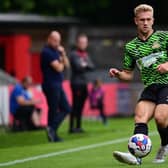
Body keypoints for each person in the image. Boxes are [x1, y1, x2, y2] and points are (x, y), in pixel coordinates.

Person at [109, 4, 168, 165]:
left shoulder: (164, 37)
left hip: (166, 84)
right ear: (136, 21)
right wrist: (119, 74)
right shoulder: (131, 47)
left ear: (153, 20)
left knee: (161, 118)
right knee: (140, 117)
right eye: (142, 20)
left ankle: (164, 145)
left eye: (149, 19)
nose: (146, 23)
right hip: (150, 87)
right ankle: (136, 157)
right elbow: (128, 74)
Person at [40, 31, 71, 142]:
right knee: (54, 109)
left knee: (65, 108)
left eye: (58, 41)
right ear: (49, 39)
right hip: (50, 84)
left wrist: (63, 54)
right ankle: (52, 131)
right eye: (55, 40)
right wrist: (61, 61)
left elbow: (67, 65)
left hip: (57, 84)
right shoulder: (46, 52)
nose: (57, 43)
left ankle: (52, 130)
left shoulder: (56, 51)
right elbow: (59, 68)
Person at [69, 34, 95, 133]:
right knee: (75, 104)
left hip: (84, 83)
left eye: (85, 42)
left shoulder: (85, 55)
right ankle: (71, 127)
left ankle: (78, 126)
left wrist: (85, 65)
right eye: (81, 42)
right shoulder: (74, 54)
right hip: (76, 83)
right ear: (77, 43)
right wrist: (84, 65)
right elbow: (78, 67)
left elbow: (92, 66)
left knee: (81, 105)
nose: (83, 44)